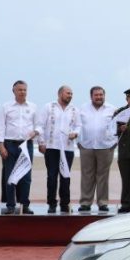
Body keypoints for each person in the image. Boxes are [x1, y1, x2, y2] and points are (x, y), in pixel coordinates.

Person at [37, 85, 80, 213]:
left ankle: (65, 204)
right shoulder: (49, 107)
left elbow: (79, 126)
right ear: (60, 93)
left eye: (71, 94)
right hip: (51, 147)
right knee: (51, 176)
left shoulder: (74, 110)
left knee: (65, 176)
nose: (70, 96)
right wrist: (41, 142)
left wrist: (75, 133)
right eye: (68, 93)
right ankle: (51, 203)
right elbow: (40, 125)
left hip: (67, 149)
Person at [0, 80, 37, 215]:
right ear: (14, 91)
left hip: (26, 145)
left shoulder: (32, 107)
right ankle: (10, 205)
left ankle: (24, 205)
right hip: (10, 144)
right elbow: (1, 126)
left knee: (26, 176)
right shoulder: (6, 107)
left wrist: (36, 132)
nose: (22, 92)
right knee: (10, 176)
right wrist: (1, 145)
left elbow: (38, 125)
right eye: (19, 90)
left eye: (24, 90)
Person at [77, 86, 116, 212]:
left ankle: (102, 203)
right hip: (86, 146)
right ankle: (85, 202)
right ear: (91, 96)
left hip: (105, 147)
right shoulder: (82, 108)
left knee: (103, 176)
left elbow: (118, 127)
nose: (99, 97)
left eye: (101, 95)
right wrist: (79, 142)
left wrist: (114, 143)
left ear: (104, 95)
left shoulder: (112, 109)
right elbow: (77, 125)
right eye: (96, 95)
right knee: (87, 175)